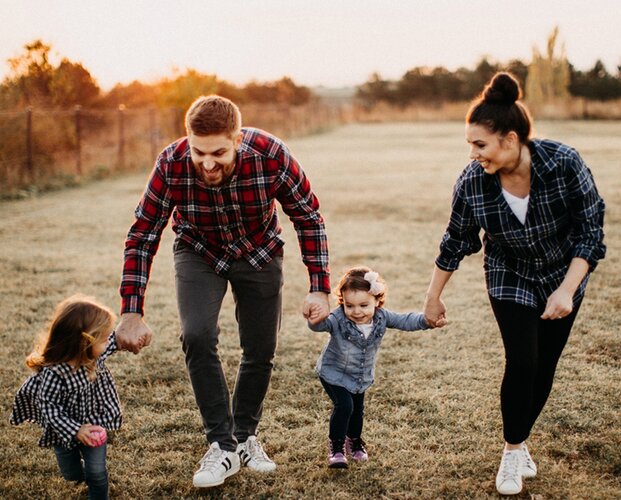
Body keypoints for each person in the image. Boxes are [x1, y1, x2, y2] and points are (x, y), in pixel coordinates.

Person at [115, 95, 331, 488]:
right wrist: (131, 310)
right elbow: (143, 235)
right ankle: (221, 445)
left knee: (260, 347)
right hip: (199, 251)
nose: (207, 162)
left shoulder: (270, 155)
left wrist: (319, 287)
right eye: (199, 152)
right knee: (196, 335)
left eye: (218, 152)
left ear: (237, 140)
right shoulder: (171, 163)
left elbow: (308, 217)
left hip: (260, 251)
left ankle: (245, 436)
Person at [423, 72, 606, 495]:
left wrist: (566, 289)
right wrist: (433, 296)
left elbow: (590, 233)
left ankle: (520, 441)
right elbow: (456, 240)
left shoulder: (563, 162)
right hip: (510, 274)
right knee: (523, 361)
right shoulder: (473, 182)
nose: (473, 154)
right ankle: (512, 451)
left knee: (544, 366)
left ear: (509, 139)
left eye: (479, 144)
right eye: (470, 145)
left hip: (565, 274)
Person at [308, 266, 446, 468]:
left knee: (357, 410)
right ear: (342, 303)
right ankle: (336, 448)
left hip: (360, 376)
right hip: (334, 373)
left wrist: (427, 321)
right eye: (350, 305)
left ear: (377, 301)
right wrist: (314, 319)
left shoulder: (382, 317)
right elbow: (321, 325)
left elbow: (406, 321)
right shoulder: (338, 318)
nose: (356, 311)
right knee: (345, 406)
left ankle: (354, 441)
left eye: (364, 305)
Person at [10, 295, 121, 500]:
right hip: (63, 428)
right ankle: (78, 473)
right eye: (104, 338)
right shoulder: (55, 373)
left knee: (96, 473)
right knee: (71, 474)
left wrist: (132, 335)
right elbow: (49, 407)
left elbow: (117, 340)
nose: (108, 342)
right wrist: (76, 430)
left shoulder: (95, 354)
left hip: (94, 422)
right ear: (84, 342)